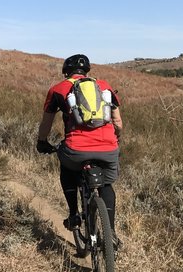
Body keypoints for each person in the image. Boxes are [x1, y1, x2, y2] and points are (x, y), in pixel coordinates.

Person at [36, 53, 124, 247]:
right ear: (87, 71)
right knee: (106, 185)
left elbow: (46, 123)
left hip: (76, 149)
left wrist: (42, 142)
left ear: (66, 72)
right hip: (108, 148)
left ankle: (74, 215)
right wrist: (115, 139)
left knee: (66, 167)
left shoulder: (58, 89)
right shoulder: (104, 86)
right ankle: (110, 233)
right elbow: (118, 122)